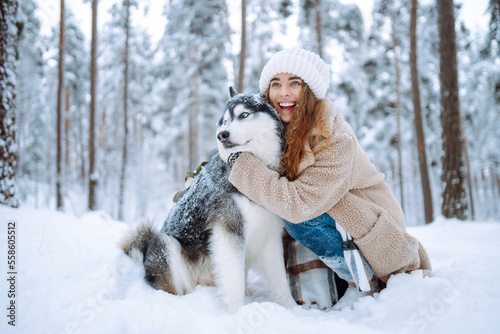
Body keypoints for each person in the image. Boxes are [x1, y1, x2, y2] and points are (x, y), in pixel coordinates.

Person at [219, 47, 431, 291]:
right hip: (334, 216)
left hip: (372, 225)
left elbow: (299, 204)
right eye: (275, 84)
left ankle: (366, 282)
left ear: (309, 90)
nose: (283, 93)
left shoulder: (335, 138)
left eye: (294, 83)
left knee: (299, 218)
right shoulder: (281, 130)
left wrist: (239, 164)